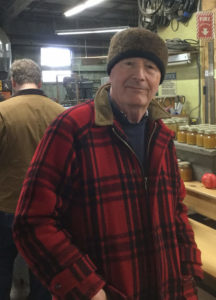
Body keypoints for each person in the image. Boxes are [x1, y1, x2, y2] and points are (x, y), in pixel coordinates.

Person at [13, 29, 203, 300]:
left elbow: (176, 212)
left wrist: (188, 272)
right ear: (111, 72)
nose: (140, 75)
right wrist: (87, 288)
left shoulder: (161, 136)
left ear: (158, 79)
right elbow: (31, 221)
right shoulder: (72, 129)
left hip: (166, 289)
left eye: (150, 67)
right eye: (129, 64)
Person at [0, 58, 65, 300]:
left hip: (6, 207)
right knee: (43, 274)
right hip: (49, 210)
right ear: (40, 82)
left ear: (13, 82)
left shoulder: (2, 113)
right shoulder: (61, 114)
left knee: (1, 269)